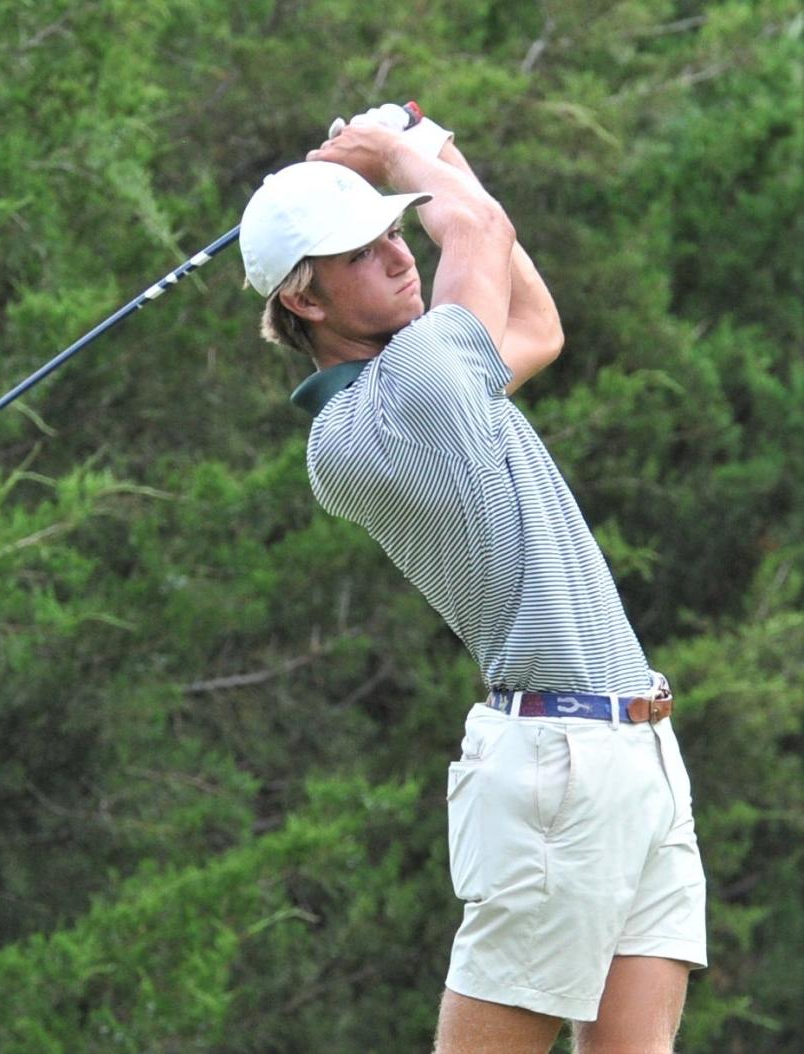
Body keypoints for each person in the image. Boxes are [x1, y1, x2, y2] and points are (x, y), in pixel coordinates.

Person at [238, 104, 706, 1054]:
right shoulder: (404, 392)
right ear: (306, 302)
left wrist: (436, 150)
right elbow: (480, 231)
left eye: (395, 230)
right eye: (362, 251)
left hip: (639, 749)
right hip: (558, 768)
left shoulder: (436, 374)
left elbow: (535, 321)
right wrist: (393, 152)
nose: (400, 253)